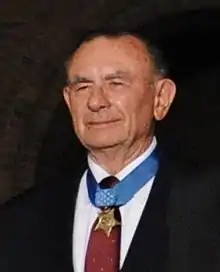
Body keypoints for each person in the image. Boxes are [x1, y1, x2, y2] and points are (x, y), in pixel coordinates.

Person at [1, 27, 220, 272]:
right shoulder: (20, 220)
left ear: (161, 98)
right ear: (68, 100)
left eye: (116, 83)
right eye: (83, 87)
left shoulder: (211, 206)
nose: (96, 102)